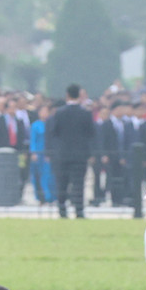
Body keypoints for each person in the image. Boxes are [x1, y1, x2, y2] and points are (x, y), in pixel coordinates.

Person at [49, 83, 96, 218]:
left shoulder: (59, 113)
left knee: (62, 183)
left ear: (67, 95)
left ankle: (62, 209)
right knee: (79, 184)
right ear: (79, 95)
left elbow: (54, 132)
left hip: (63, 153)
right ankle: (79, 210)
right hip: (80, 154)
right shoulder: (85, 113)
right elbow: (91, 133)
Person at [28, 104, 54, 205]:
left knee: (48, 175)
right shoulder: (35, 125)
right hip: (38, 153)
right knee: (37, 176)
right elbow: (33, 140)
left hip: (47, 153)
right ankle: (40, 197)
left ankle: (49, 196)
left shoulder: (50, 124)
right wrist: (33, 152)